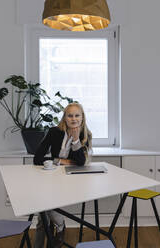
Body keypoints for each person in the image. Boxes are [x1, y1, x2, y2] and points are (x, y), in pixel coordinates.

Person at [33, 102, 92, 248]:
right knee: (43, 217)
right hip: (51, 178)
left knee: (43, 213)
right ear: (64, 117)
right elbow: (37, 158)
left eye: (77, 115)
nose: (73, 119)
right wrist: (59, 160)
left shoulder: (86, 135)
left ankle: (58, 227)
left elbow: (80, 162)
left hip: (72, 181)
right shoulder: (54, 132)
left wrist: (76, 140)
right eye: (70, 115)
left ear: (82, 117)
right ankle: (59, 227)